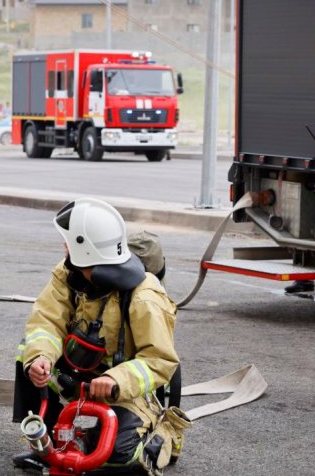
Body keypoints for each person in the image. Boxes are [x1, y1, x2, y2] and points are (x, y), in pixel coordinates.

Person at [12, 198, 186, 473]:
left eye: (68, 241)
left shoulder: (144, 297)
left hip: (125, 390)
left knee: (119, 457)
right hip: (78, 374)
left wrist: (115, 379)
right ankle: (46, 442)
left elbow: (160, 360)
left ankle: (163, 433)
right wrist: (41, 358)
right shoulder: (68, 272)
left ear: (86, 249)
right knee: (26, 352)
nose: (63, 247)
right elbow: (47, 320)